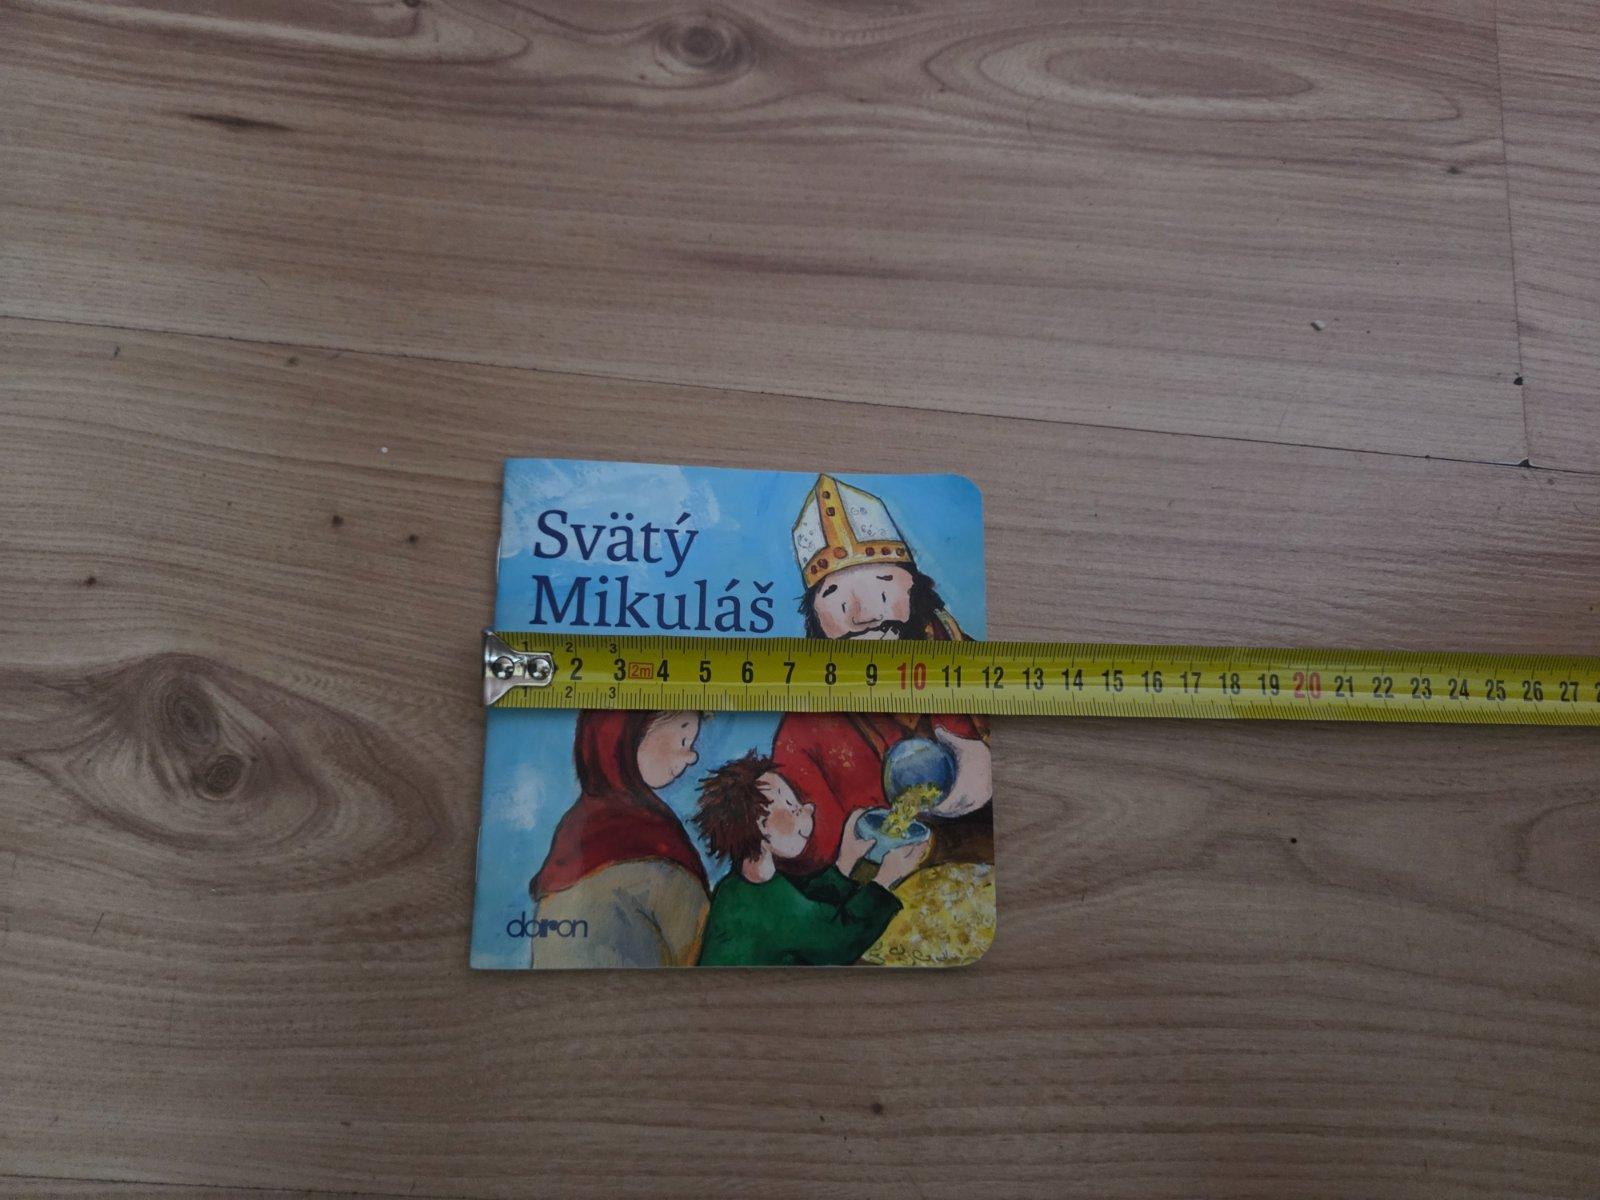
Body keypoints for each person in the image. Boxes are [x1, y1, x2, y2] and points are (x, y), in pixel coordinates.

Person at [774, 474, 993, 876]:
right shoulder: (804, 727)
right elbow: (800, 854)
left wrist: (989, 760)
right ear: (813, 615)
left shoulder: (976, 665)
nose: (862, 614)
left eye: (883, 580)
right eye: (833, 593)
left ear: (916, 586)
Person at [692, 752, 929, 966]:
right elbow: (837, 942)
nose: (808, 809)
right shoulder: (769, 907)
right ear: (762, 825)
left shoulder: (740, 885)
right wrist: (884, 881)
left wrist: (844, 862)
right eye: (792, 807)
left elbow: (809, 907)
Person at [530, 710, 709, 967]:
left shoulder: (572, 837)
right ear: (627, 738)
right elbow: (700, 948)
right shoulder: (656, 852)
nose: (692, 757)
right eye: (683, 741)